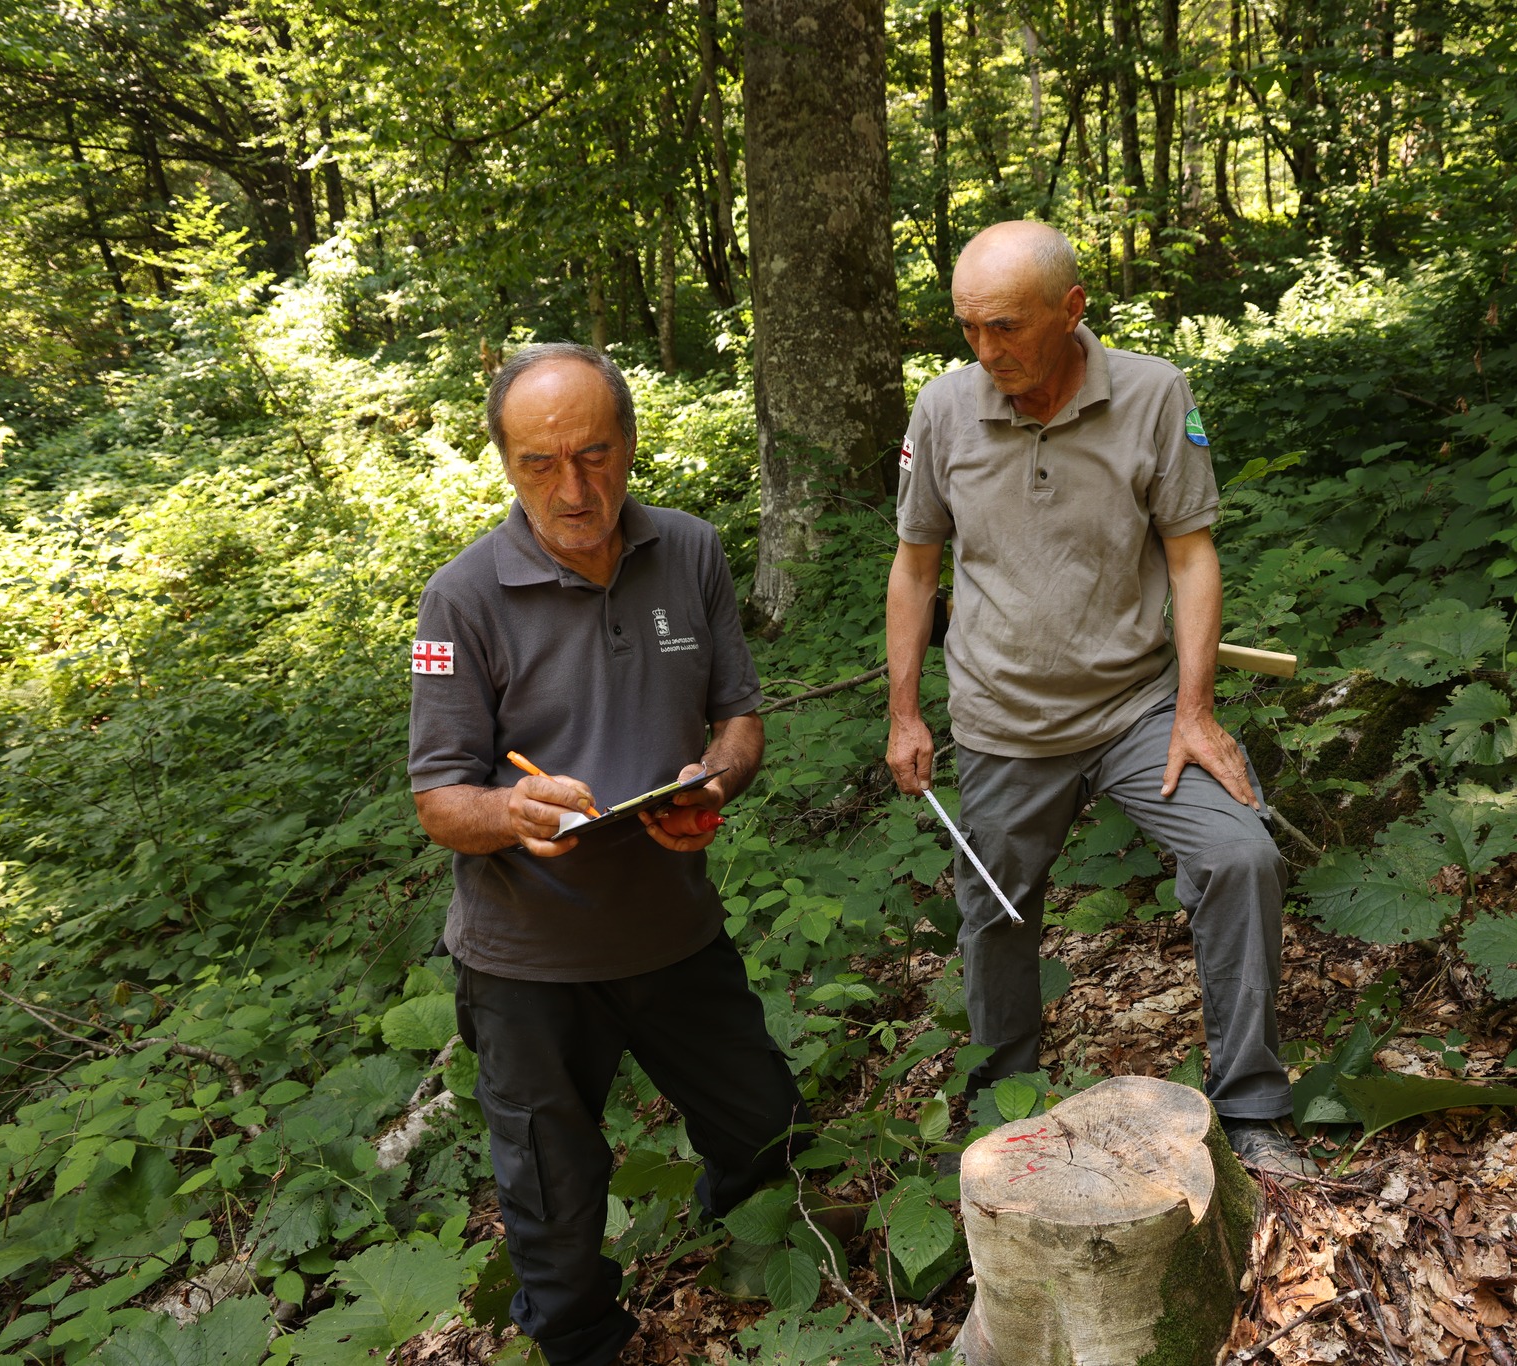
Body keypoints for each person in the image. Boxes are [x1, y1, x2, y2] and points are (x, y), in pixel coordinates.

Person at [884, 221, 1315, 1178]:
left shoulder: (1153, 395)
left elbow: (1191, 555)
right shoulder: (944, 410)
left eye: (1006, 326)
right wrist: (905, 714)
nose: (986, 350)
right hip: (1000, 721)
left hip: (1135, 709)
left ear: (1072, 310)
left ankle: (1251, 1110)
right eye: (967, 328)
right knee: (996, 915)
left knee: (1241, 857)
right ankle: (1005, 1118)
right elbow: (914, 569)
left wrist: (1195, 711)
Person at [408, 344, 806, 1364]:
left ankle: (766, 1286)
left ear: (628, 442)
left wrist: (714, 783)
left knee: (765, 1128)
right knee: (553, 1199)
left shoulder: (690, 550)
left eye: (593, 455)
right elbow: (439, 800)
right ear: (505, 462)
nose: (572, 489)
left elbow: (737, 717)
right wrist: (515, 813)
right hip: (528, 958)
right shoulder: (463, 597)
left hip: (674, 928)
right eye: (539, 463)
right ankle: (584, 1343)